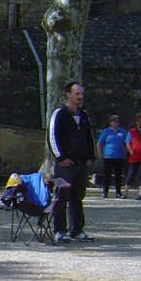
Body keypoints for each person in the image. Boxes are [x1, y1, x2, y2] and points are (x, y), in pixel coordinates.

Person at [47, 81, 97, 244]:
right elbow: (52, 137)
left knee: (78, 198)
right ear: (68, 94)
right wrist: (61, 158)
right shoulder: (59, 114)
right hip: (66, 165)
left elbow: (89, 136)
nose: (80, 97)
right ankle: (60, 230)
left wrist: (91, 156)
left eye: (81, 94)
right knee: (62, 197)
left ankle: (77, 229)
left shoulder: (84, 115)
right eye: (77, 94)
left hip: (82, 164)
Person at [96, 114, 128, 198]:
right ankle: (105, 192)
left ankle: (118, 192)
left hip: (120, 156)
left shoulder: (122, 131)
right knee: (107, 175)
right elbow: (99, 143)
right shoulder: (106, 131)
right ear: (110, 122)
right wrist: (100, 154)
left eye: (117, 121)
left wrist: (126, 153)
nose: (116, 123)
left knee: (118, 175)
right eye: (114, 121)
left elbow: (127, 143)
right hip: (108, 156)